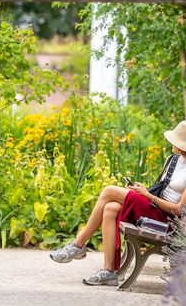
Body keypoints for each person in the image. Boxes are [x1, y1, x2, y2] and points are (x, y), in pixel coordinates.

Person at [50, 120, 186, 286]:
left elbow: (179, 210)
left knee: (108, 191)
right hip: (153, 208)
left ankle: (78, 245)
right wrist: (144, 191)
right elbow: (161, 189)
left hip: (167, 220)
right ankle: (109, 271)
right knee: (110, 208)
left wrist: (148, 197)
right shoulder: (173, 160)